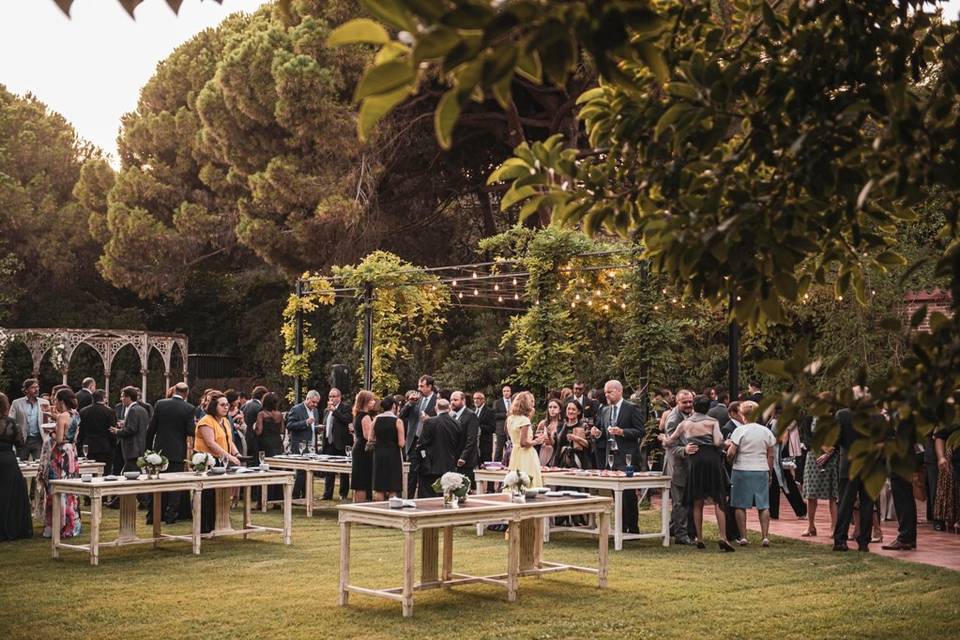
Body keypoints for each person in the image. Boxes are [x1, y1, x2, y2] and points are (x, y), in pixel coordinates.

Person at [660, 394, 734, 551]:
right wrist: (726, 444)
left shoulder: (685, 423)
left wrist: (662, 438)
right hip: (711, 459)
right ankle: (723, 536)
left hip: (695, 460)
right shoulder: (712, 422)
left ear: (694, 406)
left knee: (697, 500)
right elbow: (717, 442)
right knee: (719, 499)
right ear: (708, 408)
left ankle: (699, 538)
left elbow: (669, 441)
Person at [593, 380, 644, 533]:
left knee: (629, 494)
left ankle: (633, 528)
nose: (606, 395)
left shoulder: (631, 408)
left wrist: (622, 432)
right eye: (606, 392)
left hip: (627, 456)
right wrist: (598, 433)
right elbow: (602, 431)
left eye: (610, 392)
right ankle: (621, 527)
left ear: (619, 391)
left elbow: (641, 431)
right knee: (616, 494)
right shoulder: (605, 410)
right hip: (611, 457)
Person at [145, 382, 196, 525]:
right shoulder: (189, 408)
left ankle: (152, 515)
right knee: (175, 485)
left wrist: (148, 449)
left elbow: (151, 429)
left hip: (159, 451)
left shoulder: (160, 404)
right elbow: (190, 431)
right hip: (177, 451)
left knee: (156, 483)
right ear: (186, 393)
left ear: (174, 390)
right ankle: (170, 515)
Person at [726, 400, 776, 546]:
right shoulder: (766, 431)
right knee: (763, 504)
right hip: (761, 469)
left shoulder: (739, 431)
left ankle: (743, 536)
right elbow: (771, 455)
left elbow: (731, 452)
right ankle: (765, 536)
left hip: (741, 468)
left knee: (740, 504)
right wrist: (770, 472)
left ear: (742, 414)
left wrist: (730, 460)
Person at [832, 387, 875, 552]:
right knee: (867, 504)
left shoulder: (842, 415)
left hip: (848, 463)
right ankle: (864, 541)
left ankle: (840, 540)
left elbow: (836, 440)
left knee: (845, 503)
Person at [194, 392, 241, 533]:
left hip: (221, 460)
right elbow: (211, 443)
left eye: (227, 404)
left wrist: (237, 453)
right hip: (206, 461)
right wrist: (230, 457)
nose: (226, 407)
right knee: (208, 495)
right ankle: (204, 528)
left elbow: (229, 440)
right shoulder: (206, 421)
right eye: (222, 405)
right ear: (214, 406)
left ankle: (219, 525)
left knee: (220, 494)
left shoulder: (226, 421)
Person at [38, 388, 81, 538]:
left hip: (60, 455)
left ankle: (56, 525)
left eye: (56, 399)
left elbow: (59, 439)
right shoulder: (75, 414)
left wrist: (52, 432)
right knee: (70, 489)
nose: (54, 402)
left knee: (55, 489)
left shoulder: (62, 416)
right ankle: (72, 523)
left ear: (61, 401)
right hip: (72, 453)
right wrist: (53, 416)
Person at [663, 389, 697, 545]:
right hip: (677, 466)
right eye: (685, 402)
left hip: (690, 465)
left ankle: (673, 528)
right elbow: (670, 446)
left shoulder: (692, 415)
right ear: (677, 402)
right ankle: (681, 535)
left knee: (687, 500)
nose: (689, 405)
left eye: (690, 401)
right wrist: (684, 450)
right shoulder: (673, 419)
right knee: (680, 501)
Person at [801, 414, 840, 538]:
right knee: (811, 493)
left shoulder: (836, 418)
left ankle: (834, 527)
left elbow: (839, 437)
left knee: (833, 494)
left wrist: (831, 449)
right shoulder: (809, 418)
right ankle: (810, 526)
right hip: (814, 455)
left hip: (832, 456)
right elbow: (806, 438)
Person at [0, 392, 32, 540]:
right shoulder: (12, 423)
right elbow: (20, 443)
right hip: (7, 460)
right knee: (11, 493)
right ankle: (13, 526)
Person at [419, 398, 465, 497]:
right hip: (450, 464)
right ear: (448, 408)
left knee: (429, 495)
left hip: (431, 465)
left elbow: (422, 444)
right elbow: (460, 444)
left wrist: (423, 458)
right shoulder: (456, 423)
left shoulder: (429, 422)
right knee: (447, 494)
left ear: (436, 408)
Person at [404, 375, 437, 497]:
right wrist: (409, 404)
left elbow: (441, 419)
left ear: (430, 386)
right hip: (414, 440)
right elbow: (402, 415)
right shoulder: (416, 400)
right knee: (412, 472)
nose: (419, 389)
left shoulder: (437, 400)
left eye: (422, 386)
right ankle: (409, 498)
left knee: (424, 472)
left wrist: (429, 420)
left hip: (428, 442)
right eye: (418, 386)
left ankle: (423, 498)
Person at [285, 389, 322, 498]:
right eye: (313, 402)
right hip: (299, 444)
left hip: (311, 444)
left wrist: (317, 429)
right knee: (301, 471)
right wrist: (305, 422)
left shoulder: (315, 411)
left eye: (316, 403)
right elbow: (290, 425)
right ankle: (295, 495)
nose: (315, 405)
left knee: (309, 471)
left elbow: (312, 427)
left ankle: (306, 495)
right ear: (307, 399)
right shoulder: (296, 409)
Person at [504, 391, 543, 489]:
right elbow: (523, 443)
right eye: (531, 401)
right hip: (527, 454)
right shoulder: (524, 421)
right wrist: (538, 441)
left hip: (515, 452)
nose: (533, 404)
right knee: (528, 480)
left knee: (515, 479)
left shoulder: (511, 418)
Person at [321, 388, 353, 501]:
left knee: (343, 470)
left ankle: (343, 493)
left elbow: (347, 420)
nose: (331, 399)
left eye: (334, 396)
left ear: (339, 397)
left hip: (341, 442)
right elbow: (327, 424)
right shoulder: (326, 410)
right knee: (329, 470)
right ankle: (327, 493)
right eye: (330, 396)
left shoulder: (345, 407)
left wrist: (335, 411)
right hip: (329, 442)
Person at [372, 396, 405, 501]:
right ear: (394, 406)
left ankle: (378, 510)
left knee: (379, 487)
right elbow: (401, 443)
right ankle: (391, 511)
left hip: (379, 453)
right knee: (392, 486)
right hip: (393, 454)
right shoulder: (397, 421)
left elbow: (370, 438)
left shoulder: (376, 419)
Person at [77, 389, 117, 471]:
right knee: (104, 472)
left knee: (88, 471)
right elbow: (112, 431)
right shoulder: (109, 411)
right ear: (104, 398)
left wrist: (81, 444)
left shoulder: (83, 411)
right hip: (104, 447)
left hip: (88, 447)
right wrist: (113, 445)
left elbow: (81, 431)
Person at [112, 386, 149, 475]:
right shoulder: (142, 409)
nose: (121, 399)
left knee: (132, 475)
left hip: (132, 449)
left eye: (122, 396)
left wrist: (117, 431)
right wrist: (124, 424)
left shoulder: (132, 410)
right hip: (139, 447)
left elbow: (131, 429)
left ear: (128, 397)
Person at [255, 392, 285, 501]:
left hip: (265, 444)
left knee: (264, 470)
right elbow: (282, 430)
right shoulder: (279, 415)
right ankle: (277, 500)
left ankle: (262, 500)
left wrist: (254, 428)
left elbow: (259, 431)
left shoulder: (262, 414)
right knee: (277, 470)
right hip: (277, 444)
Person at [350, 391, 378, 502]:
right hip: (363, 449)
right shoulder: (365, 416)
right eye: (371, 400)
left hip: (358, 447)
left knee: (359, 480)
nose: (374, 402)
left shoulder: (357, 415)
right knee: (362, 480)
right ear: (365, 401)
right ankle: (361, 505)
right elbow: (368, 436)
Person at [9, 378, 43, 461]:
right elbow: (10, 420)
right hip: (23, 440)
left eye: (37, 387)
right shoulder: (16, 403)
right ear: (26, 390)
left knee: (39, 465)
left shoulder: (44, 403)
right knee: (21, 464)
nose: (36, 389)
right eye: (33, 387)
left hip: (39, 439)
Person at [451, 391, 479, 488]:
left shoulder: (471, 415)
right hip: (453, 458)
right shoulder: (452, 415)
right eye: (451, 400)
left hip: (466, 460)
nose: (452, 402)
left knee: (465, 488)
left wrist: (463, 457)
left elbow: (472, 438)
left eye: (455, 400)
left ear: (463, 401)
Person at [553, 399, 592, 469]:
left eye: (573, 409)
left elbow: (589, 445)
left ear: (579, 412)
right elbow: (557, 443)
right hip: (561, 461)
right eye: (569, 409)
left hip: (579, 461)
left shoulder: (583, 425)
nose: (570, 411)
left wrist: (576, 438)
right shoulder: (561, 426)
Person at [242, 386, 268, 474]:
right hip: (256, 440)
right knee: (256, 465)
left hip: (246, 438)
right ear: (262, 396)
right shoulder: (259, 408)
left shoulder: (245, 405)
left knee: (249, 464)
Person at [536, 398, 562, 467]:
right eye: (550, 407)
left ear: (560, 410)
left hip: (555, 453)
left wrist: (550, 436)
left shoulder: (562, 424)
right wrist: (540, 438)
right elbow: (536, 437)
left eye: (555, 407)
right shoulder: (543, 423)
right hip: (543, 450)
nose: (552, 409)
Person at [473, 391, 495, 464]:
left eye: (478, 398)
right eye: (474, 398)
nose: (476, 400)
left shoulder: (489, 411)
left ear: (483, 400)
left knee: (486, 465)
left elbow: (492, 427)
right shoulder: (472, 411)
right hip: (475, 444)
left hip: (485, 444)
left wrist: (479, 427)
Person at [493, 384, 513, 462]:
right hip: (501, 430)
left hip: (512, 429)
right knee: (499, 449)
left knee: (512, 449)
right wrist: (505, 415)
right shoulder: (497, 402)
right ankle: (496, 465)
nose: (506, 393)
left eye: (507, 391)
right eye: (504, 391)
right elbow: (494, 415)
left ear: (510, 392)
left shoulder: (514, 401)